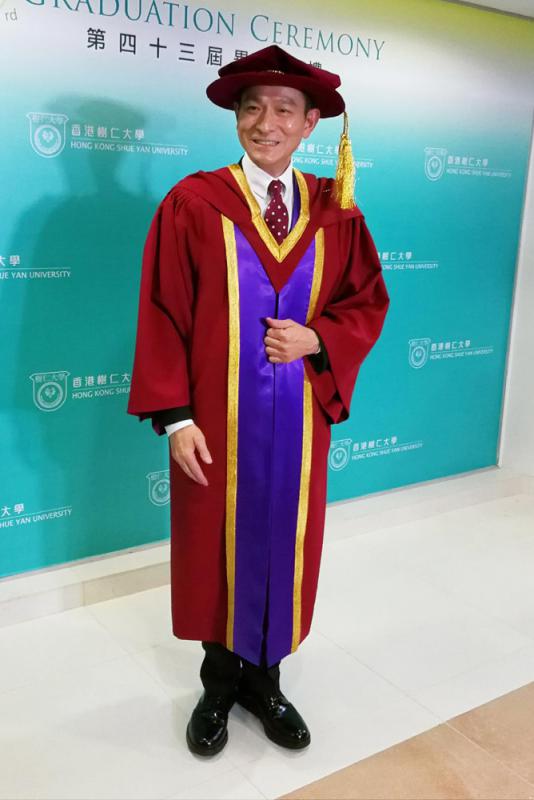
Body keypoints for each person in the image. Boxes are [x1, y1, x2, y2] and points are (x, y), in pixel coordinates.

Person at [127, 44, 390, 757]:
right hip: (216, 422)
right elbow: (163, 311)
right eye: (251, 108)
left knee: (285, 541)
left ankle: (266, 683)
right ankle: (219, 684)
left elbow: (366, 300)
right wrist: (176, 417)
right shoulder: (194, 203)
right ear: (236, 117)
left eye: (282, 110)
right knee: (216, 546)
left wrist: (318, 337)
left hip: (299, 423)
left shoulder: (336, 211)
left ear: (310, 123)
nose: (264, 123)